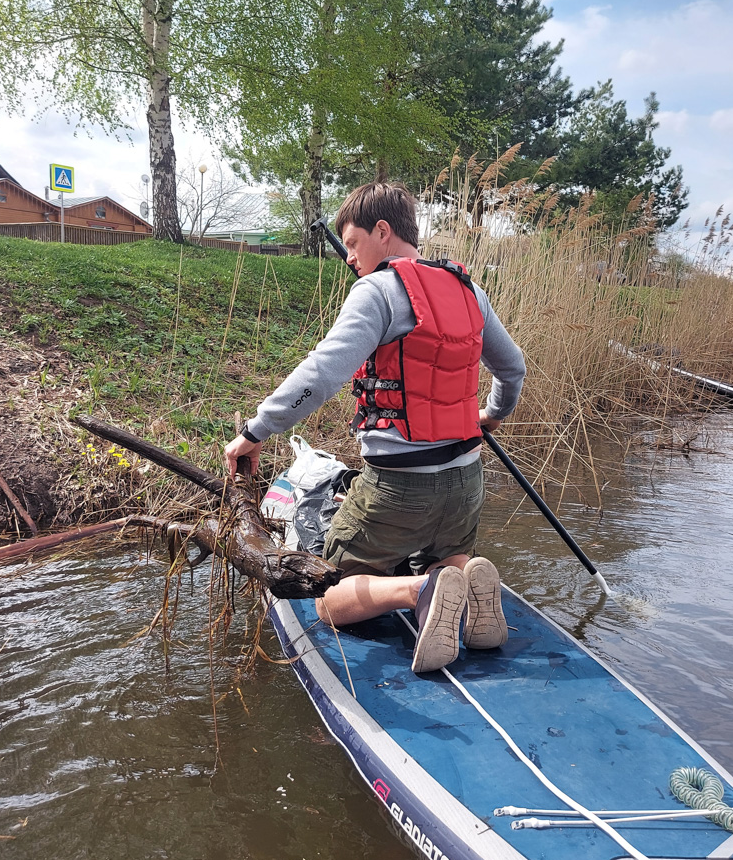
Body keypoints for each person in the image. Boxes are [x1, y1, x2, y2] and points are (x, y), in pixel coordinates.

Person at [224, 182, 525, 673]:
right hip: (466, 482)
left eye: (354, 244)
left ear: (382, 232)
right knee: (447, 556)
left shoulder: (379, 291)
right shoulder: (470, 289)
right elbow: (513, 368)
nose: (349, 258)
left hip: (399, 489)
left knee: (328, 594)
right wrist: (492, 414)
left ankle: (420, 590)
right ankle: (460, 577)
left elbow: (322, 374)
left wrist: (255, 431)